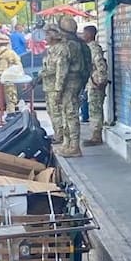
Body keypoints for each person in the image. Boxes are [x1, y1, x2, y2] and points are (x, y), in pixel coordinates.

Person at [47, 16, 91, 157]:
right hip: (76, 82)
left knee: (70, 115)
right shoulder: (80, 44)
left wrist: (58, 89)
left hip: (69, 83)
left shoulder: (67, 46)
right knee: (67, 113)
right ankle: (68, 144)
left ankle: (74, 147)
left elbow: (62, 70)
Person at [82, 25, 108, 146]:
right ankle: (95, 134)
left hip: (96, 83)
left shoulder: (94, 48)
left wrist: (101, 81)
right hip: (92, 83)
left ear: (90, 34)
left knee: (95, 109)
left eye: (84, 33)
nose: (83, 35)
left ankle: (97, 136)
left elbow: (100, 65)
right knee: (93, 109)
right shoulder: (88, 47)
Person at [39, 26, 66, 145]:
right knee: (51, 111)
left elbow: (56, 69)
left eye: (47, 34)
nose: (45, 37)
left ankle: (60, 135)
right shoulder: (51, 49)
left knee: (56, 112)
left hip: (55, 86)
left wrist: (41, 74)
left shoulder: (60, 49)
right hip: (49, 86)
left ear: (54, 36)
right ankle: (57, 133)